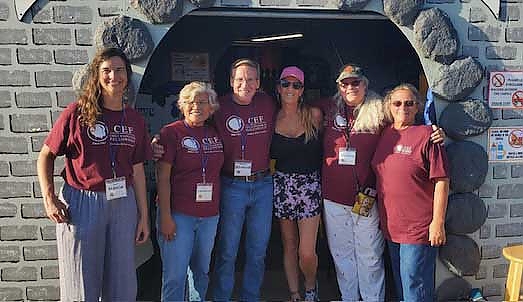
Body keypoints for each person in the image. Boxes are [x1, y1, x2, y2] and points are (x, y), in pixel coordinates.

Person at [317, 64, 445, 301]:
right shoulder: (328, 107)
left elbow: (404, 124)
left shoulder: (380, 110)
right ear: (338, 87)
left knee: (370, 256)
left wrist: (434, 130)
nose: (350, 87)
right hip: (334, 197)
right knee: (342, 256)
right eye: (345, 83)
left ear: (365, 84)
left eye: (356, 82)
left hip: (367, 197)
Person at [36, 47, 151, 301]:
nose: (114, 76)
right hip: (82, 202)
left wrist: (143, 216)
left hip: (123, 202)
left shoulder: (134, 119)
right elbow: (46, 155)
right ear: (97, 76)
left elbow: (138, 169)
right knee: (81, 282)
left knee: (122, 284)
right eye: (106, 70)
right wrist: (49, 197)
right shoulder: (77, 113)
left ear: (127, 75)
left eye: (119, 70)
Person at [371, 84, 449, 302]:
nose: (402, 107)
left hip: (418, 229)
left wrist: (438, 222)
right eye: (397, 103)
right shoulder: (386, 134)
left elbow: (442, 180)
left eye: (409, 103)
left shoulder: (428, 135)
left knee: (416, 287)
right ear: (389, 107)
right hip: (391, 227)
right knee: (402, 285)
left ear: (417, 108)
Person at [212, 58, 276, 301]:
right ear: (231, 81)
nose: (245, 84)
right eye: (240, 79)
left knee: (258, 250)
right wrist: (160, 142)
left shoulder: (267, 103)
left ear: (258, 82)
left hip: (262, 185)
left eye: (250, 79)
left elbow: (299, 110)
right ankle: (222, 297)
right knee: (228, 250)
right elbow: (191, 121)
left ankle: (251, 297)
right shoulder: (218, 105)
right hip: (232, 186)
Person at [156, 81, 224, 301]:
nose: (197, 107)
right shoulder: (170, 133)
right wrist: (165, 217)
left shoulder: (215, 133)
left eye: (203, 102)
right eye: (191, 102)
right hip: (179, 214)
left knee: (201, 272)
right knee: (175, 275)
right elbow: (163, 177)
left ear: (211, 107)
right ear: (182, 106)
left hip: (209, 215)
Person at [270, 66, 323, 302]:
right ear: (278, 88)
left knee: (306, 251)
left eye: (296, 85)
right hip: (282, 185)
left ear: (302, 90)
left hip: (310, 186)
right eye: (286, 83)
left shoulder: (314, 116)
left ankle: (311, 285)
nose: (290, 89)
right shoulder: (271, 118)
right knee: (289, 244)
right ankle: (295, 293)